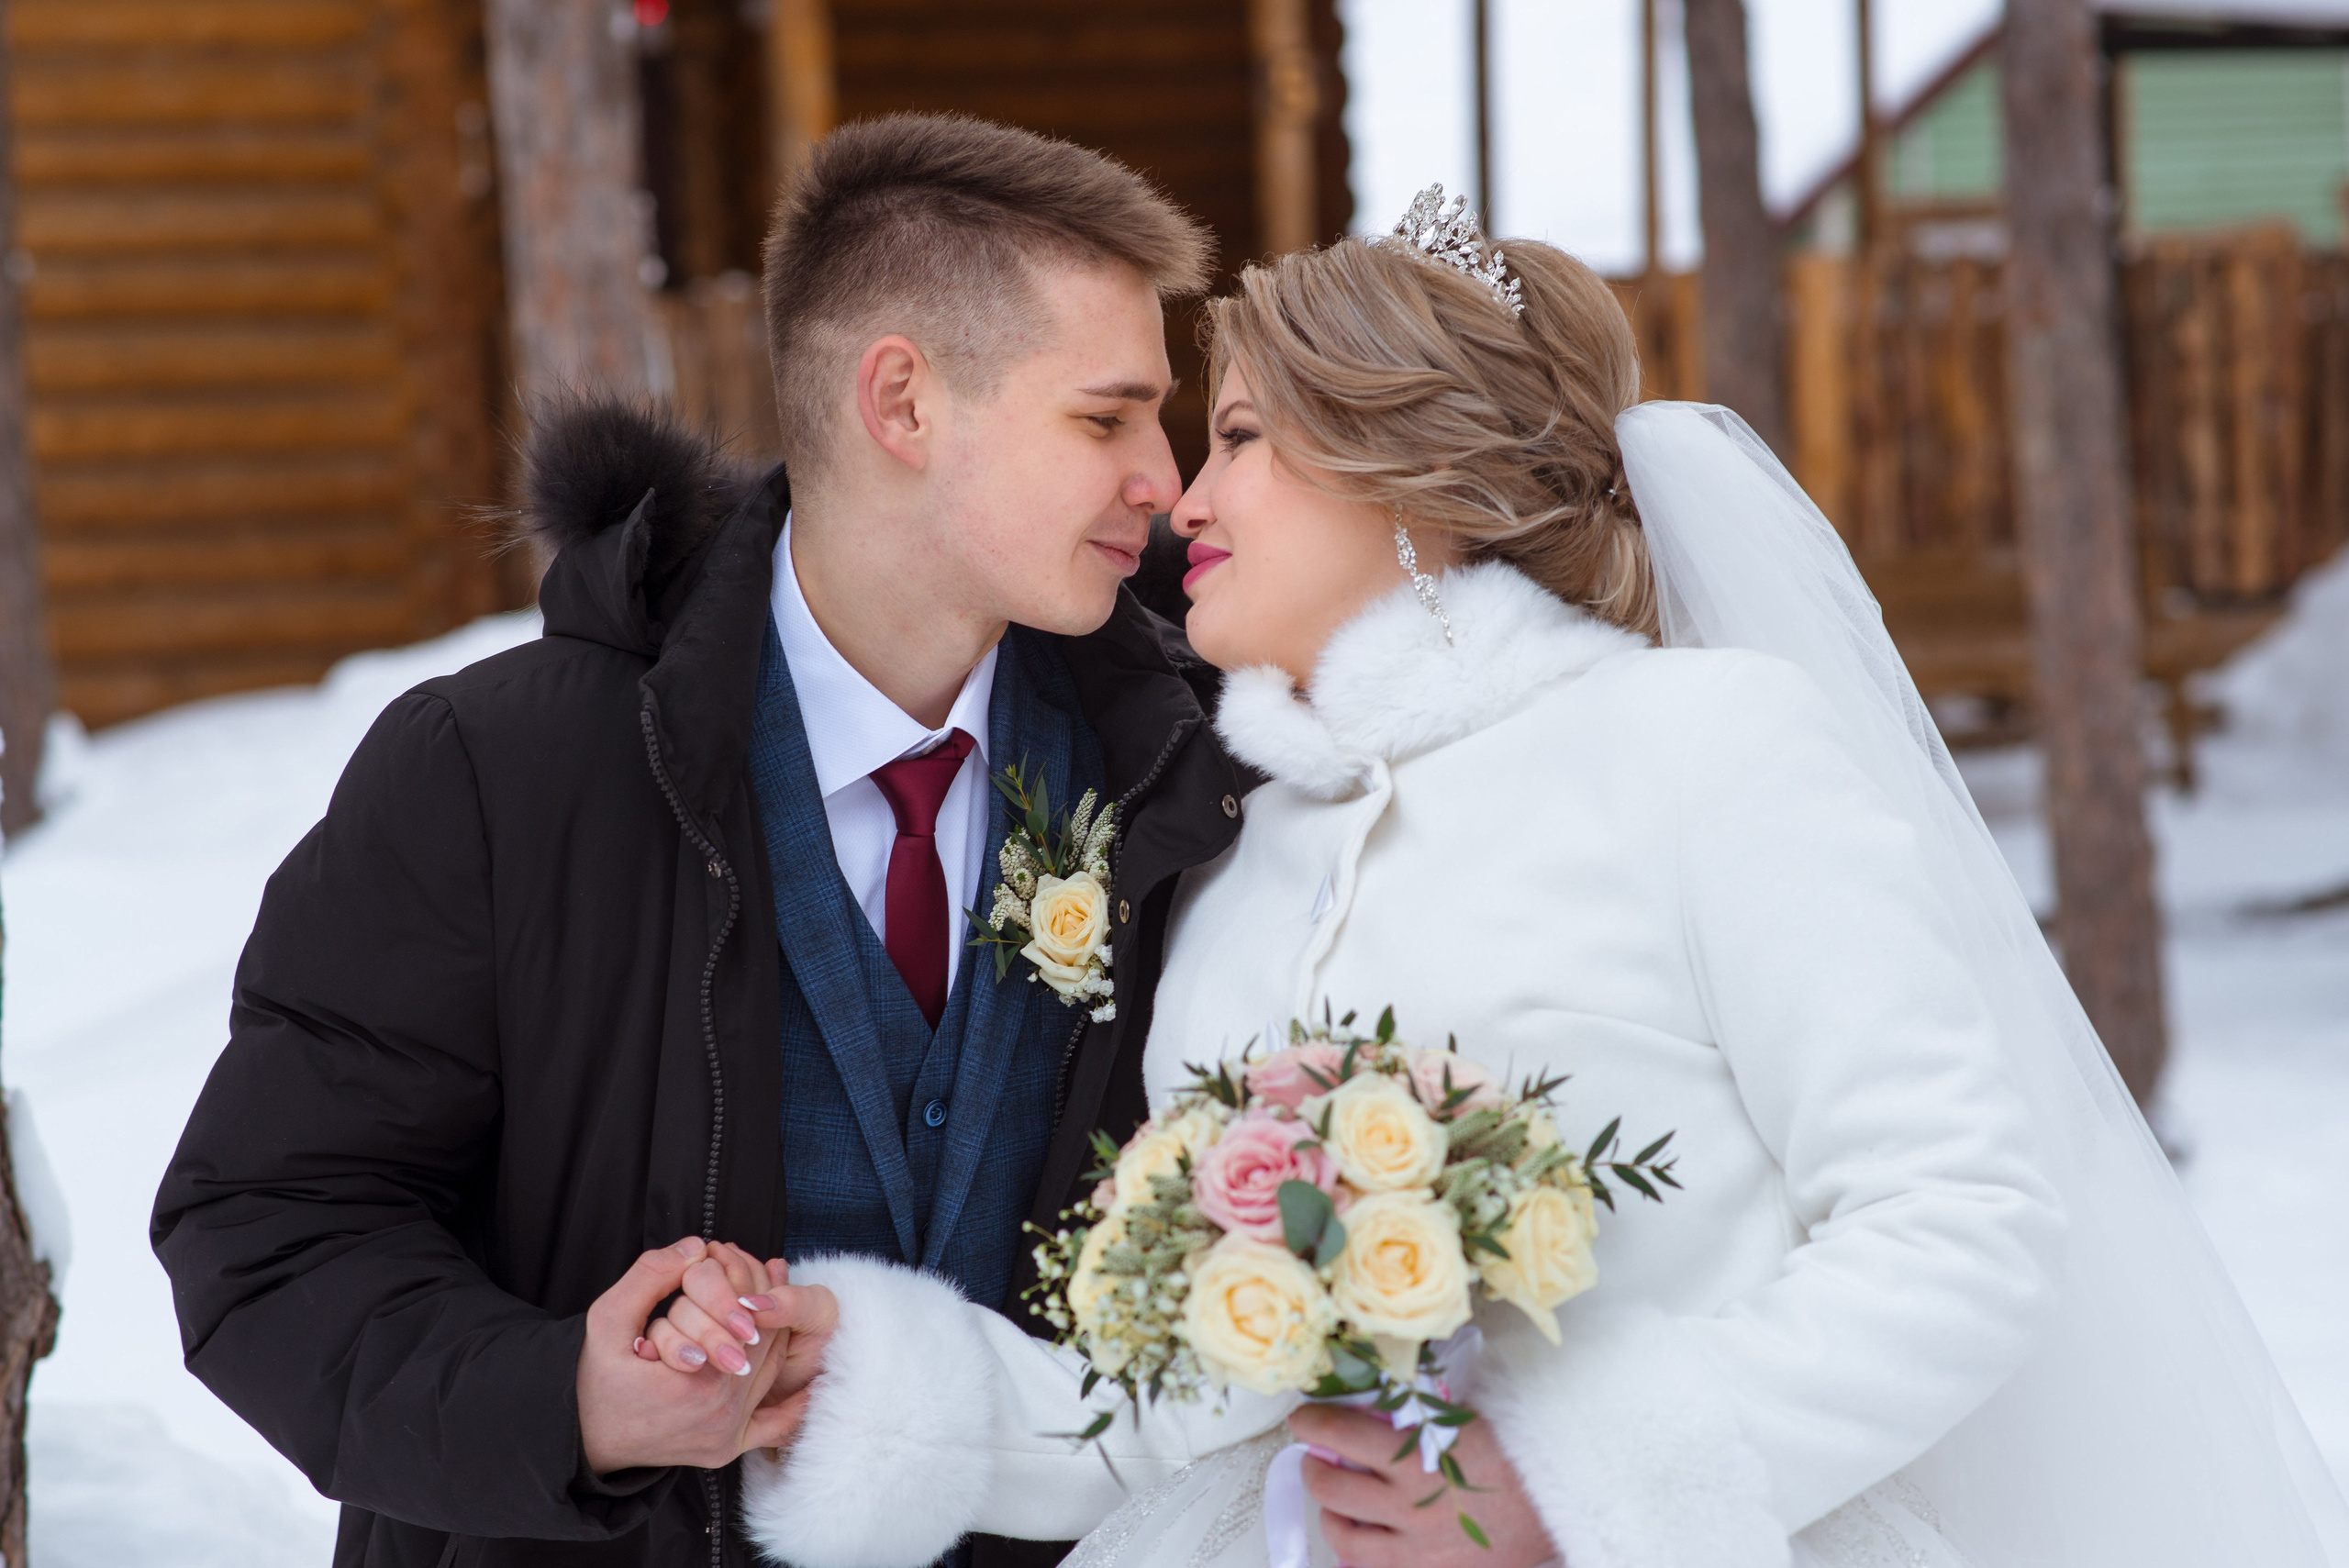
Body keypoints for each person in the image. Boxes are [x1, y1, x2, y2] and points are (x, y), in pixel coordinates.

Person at [743, 192, 2349, 1568]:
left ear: (1415, 475)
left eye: (1238, 437)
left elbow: (1962, 1220)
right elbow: (1191, 1408)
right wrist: (875, 1386)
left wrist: (1574, 1484)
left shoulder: (1706, 749)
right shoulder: (1240, 862)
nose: (1186, 496)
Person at [150, 114, 1257, 1568]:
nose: (1162, 485)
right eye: (1105, 417)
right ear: (905, 403)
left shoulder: (1196, 778)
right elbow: (269, 1229)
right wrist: (574, 1403)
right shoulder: (494, 772)